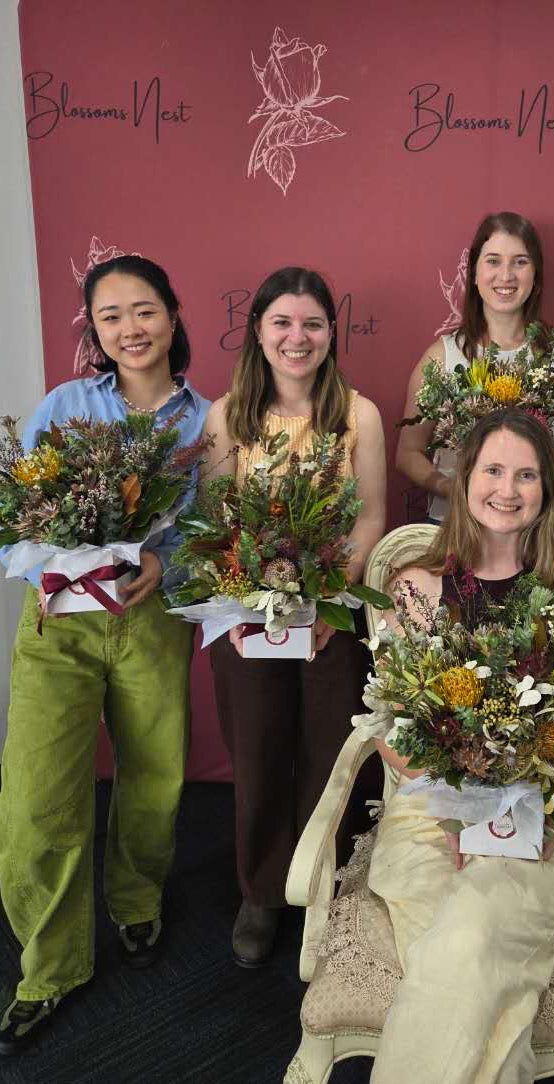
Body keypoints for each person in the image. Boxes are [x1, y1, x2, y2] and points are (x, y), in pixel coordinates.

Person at [366, 409, 554, 1083]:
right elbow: (395, 727)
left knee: (464, 940)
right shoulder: (416, 589)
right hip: (429, 815)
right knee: (468, 952)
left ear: (549, 487)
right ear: (464, 478)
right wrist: (465, 811)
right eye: (493, 471)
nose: (508, 490)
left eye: (528, 474)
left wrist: (523, 814)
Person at [0, 255, 210, 1055]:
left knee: (155, 776)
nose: (131, 329)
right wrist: (53, 549)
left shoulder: (205, 421)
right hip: (60, 622)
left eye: (145, 310)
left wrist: (170, 565)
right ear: (94, 329)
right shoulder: (65, 405)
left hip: (150, 618)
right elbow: (24, 510)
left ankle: (136, 901)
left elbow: (210, 525)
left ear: (173, 313)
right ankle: (48, 966)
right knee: (37, 792)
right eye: (112, 316)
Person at [203, 267, 386, 968]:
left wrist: (331, 606)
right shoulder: (229, 417)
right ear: (258, 330)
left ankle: (323, 883)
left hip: (331, 620)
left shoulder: (356, 416)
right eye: (282, 322)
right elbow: (219, 523)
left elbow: (370, 520)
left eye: (312, 324)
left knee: (326, 757)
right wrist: (250, 603)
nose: (296, 337)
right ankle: (262, 891)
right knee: (259, 753)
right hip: (248, 622)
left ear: (330, 334)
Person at [396, 210, 554, 521]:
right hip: (458, 526)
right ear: (474, 273)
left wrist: (546, 493)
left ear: (536, 275)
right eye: (493, 261)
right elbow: (408, 453)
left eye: (520, 262)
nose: (506, 276)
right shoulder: (442, 357)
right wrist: (456, 490)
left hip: (539, 528)